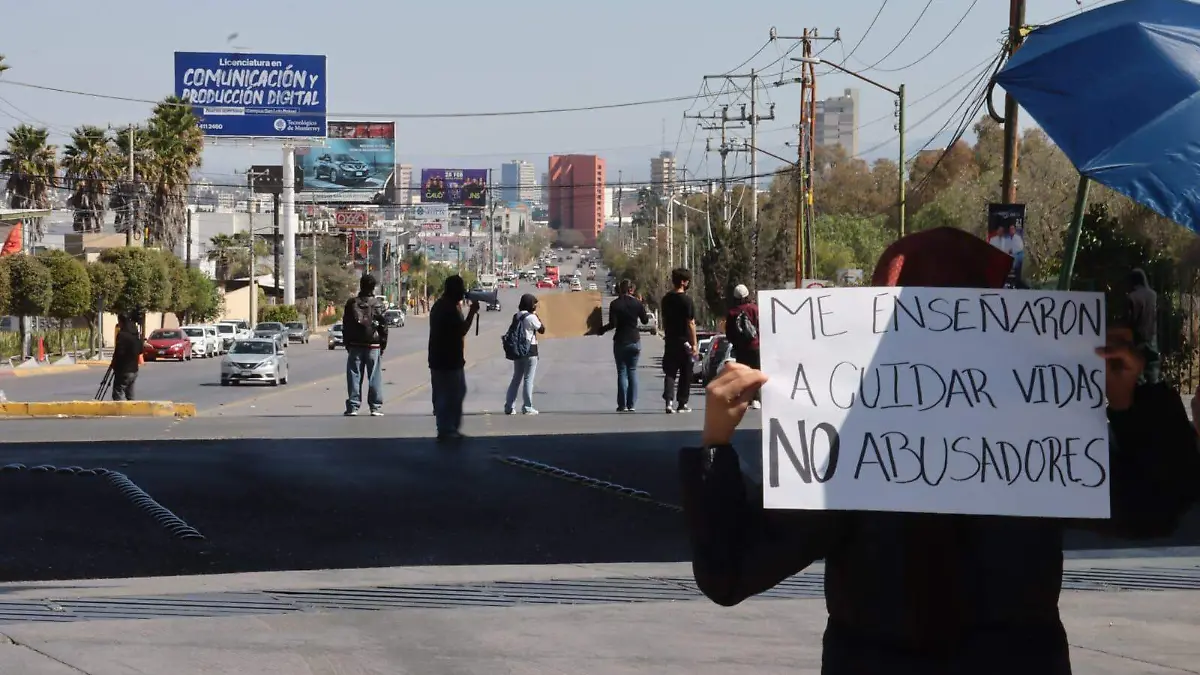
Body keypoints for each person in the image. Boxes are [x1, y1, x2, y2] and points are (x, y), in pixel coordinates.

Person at [679, 227, 1200, 675]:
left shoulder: (849, 455)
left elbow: (732, 572)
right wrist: (1131, 406)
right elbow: (1151, 507)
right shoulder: (1034, 438)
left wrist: (716, 444)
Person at [428, 274, 479, 441]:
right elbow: (461, 330)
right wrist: (472, 312)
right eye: (460, 288)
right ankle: (446, 429)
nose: (463, 292)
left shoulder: (444, 305)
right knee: (448, 394)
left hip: (445, 358)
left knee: (452, 393)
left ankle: (449, 428)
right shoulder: (447, 308)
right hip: (446, 359)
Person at [596, 279, 650, 412]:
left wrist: (601, 330)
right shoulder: (637, 304)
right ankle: (631, 404)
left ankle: (622, 405)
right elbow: (645, 321)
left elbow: (612, 324)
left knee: (621, 372)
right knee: (632, 371)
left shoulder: (615, 304)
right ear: (631, 290)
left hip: (620, 341)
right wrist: (642, 304)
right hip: (634, 341)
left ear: (619, 289)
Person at [342, 274, 389, 416]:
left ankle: (353, 406)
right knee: (374, 376)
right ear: (373, 287)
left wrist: (347, 344)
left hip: (355, 344)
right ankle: (375, 407)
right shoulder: (378, 304)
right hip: (373, 345)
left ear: (361, 285)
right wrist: (382, 345)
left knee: (354, 375)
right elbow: (384, 327)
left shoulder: (351, 303)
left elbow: (346, 325)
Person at [660, 268, 698, 414]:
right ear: (683, 282)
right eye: (687, 281)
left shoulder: (666, 299)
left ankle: (668, 402)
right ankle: (682, 403)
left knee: (670, 372)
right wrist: (694, 344)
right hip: (685, 342)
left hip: (670, 341)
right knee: (685, 372)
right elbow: (691, 323)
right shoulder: (687, 301)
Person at [504, 293, 545, 415]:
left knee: (516, 378)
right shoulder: (531, 317)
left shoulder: (516, 316)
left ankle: (509, 406)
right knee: (528, 379)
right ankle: (527, 407)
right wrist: (537, 316)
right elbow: (542, 329)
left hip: (518, 350)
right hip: (530, 349)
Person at [724, 283, 761, 410]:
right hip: (755, 346)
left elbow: (729, 333)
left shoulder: (732, 313)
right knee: (755, 373)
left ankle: (745, 398)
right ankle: (756, 398)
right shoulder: (754, 309)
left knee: (743, 374)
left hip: (740, 349)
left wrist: (735, 342)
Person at [1127, 268, 1160, 384]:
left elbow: (1130, 319)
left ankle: (1141, 397)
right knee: (1152, 369)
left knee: (1137, 373)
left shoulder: (1132, 297)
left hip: (1138, 339)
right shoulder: (1153, 295)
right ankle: (1154, 394)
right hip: (1151, 337)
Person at [109, 315, 142, 401]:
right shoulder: (135, 335)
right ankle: (132, 409)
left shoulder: (122, 335)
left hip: (123, 370)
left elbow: (119, 352)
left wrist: (114, 364)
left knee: (118, 392)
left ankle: (119, 411)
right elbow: (140, 350)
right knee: (130, 394)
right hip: (134, 370)